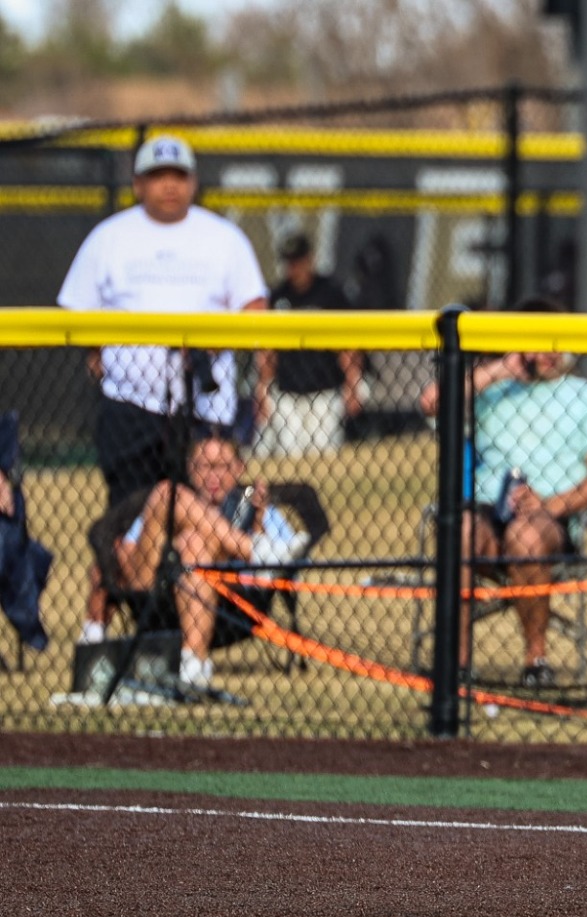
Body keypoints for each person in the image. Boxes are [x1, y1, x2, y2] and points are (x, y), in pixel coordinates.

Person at [417, 296, 587, 687]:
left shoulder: (586, 396)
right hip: (485, 514)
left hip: (551, 520)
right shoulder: (493, 392)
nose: (547, 352)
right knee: (459, 531)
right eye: (536, 340)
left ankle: (536, 660)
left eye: (554, 341)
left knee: (525, 536)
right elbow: (432, 403)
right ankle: (457, 664)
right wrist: (499, 369)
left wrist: (550, 504)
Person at [57, 134, 269, 511]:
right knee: (131, 515)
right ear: (138, 184)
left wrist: (214, 340)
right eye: (158, 175)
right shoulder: (109, 237)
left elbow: (254, 307)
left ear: (193, 182)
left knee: (205, 518)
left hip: (205, 409)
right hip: (130, 404)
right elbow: (76, 308)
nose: (169, 185)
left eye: (179, 175)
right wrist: (96, 350)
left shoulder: (223, 237)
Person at [107, 435, 309, 690]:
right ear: (190, 469)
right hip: (157, 596)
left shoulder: (258, 510)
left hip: (232, 605)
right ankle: (253, 551)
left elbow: (294, 564)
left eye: (222, 466)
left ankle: (193, 662)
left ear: (239, 468)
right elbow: (128, 556)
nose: (213, 475)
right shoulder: (172, 504)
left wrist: (257, 525)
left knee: (194, 541)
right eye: (204, 466)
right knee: (168, 494)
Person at [252, 233, 364, 458]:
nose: (294, 267)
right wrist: (262, 389)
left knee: (325, 453)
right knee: (290, 454)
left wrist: (353, 383)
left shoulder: (330, 293)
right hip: (288, 392)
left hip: (325, 389)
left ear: (310, 259)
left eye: (299, 260)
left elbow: (348, 344)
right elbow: (267, 349)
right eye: (289, 262)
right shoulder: (278, 296)